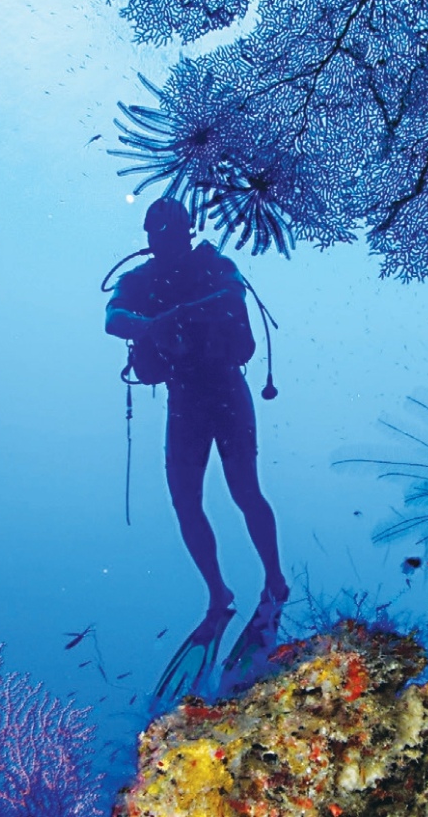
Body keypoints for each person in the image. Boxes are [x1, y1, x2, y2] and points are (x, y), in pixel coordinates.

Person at [105, 198, 288, 616]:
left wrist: (179, 314)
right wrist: (152, 325)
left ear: (188, 232)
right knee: (186, 501)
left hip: (225, 387)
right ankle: (217, 593)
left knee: (245, 489)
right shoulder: (138, 280)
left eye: (171, 233)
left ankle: (274, 578)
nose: (164, 241)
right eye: (157, 234)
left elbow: (234, 291)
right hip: (184, 397)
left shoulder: (213, 264)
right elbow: (112, 318)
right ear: (149, 237)